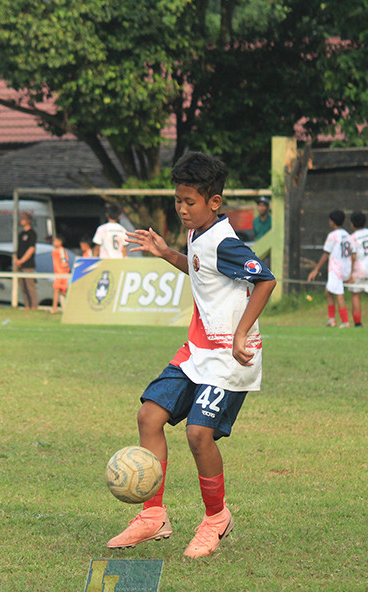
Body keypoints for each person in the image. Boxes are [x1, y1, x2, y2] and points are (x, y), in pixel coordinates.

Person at [115, 151, 277, 559]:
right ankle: (153, 517)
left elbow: (266, 281)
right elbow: (202, 269)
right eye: (178, 201)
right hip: (198, 348)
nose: (182, 210)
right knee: (149, 415)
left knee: (198, 434)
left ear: (214, 202)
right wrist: (168, 253)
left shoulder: (226, 242)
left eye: (190, 202)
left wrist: (242, 333)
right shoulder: (199, 234)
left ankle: (216, 518)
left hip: (230, 354)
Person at [307, 209, 352, 328]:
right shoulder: (347, 235)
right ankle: (331, 320)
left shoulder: (333, 236)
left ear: (332, 222)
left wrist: (316, 269)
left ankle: (345, 322)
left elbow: (326, 253)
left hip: (336, 269)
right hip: (345, 267)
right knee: (328, 292)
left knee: (339, 294)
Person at [14, 211, 38, 309]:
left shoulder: (32, 233)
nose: (21, 220)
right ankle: (27, 306)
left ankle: (34, 306)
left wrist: (22, 260)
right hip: (19, 264)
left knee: (29, 286)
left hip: (28, 264)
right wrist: (16, 259)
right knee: (23, 286)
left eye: (24, 219)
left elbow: (31, 249)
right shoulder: (21, 234)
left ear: (29, 221)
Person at [50, 235, 70, 313]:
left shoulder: (61, 251)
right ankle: (55, 307)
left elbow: (64, 262)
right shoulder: (55, 251)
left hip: (62, 274)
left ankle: (55, 308)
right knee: (59, 291)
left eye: (55, 241)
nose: (53, 243)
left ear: (60, 242)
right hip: (58, 274)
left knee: (59, 290)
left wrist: (63, 275)